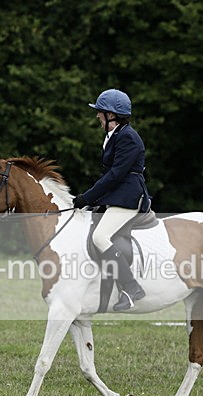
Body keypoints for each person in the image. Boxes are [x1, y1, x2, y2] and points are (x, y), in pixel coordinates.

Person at [73, 88, 151, 311]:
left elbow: (116, 175)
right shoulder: (115, 135)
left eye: (100, 112)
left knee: (100, 237)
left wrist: (87, 197)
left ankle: (131, 287)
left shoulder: (128, 137)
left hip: (128, 197)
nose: (97, 116)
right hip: (118, 194)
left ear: (111, 115)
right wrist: (90, 199)